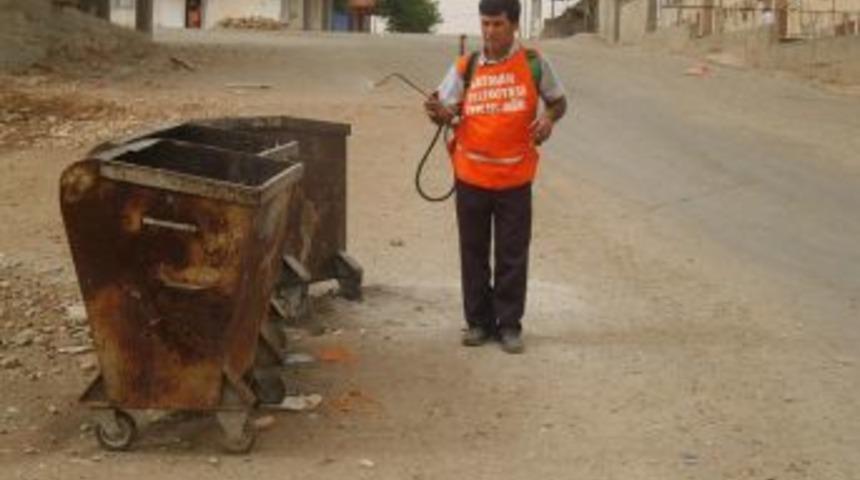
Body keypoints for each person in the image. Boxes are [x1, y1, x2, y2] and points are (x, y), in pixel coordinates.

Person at [424, 0, 568, 354]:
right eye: (485, 24)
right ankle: (477, 323)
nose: (490, 32)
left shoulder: (534, 64)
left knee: (512, 255)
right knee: (472, 252)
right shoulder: (466, 66)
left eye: (497, 24)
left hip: (516, 179)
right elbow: (442, 110)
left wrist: (548, 120)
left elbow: (559, 102)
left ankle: (509, 326)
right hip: (471, 176)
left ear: (514, 25)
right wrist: (438, 111)